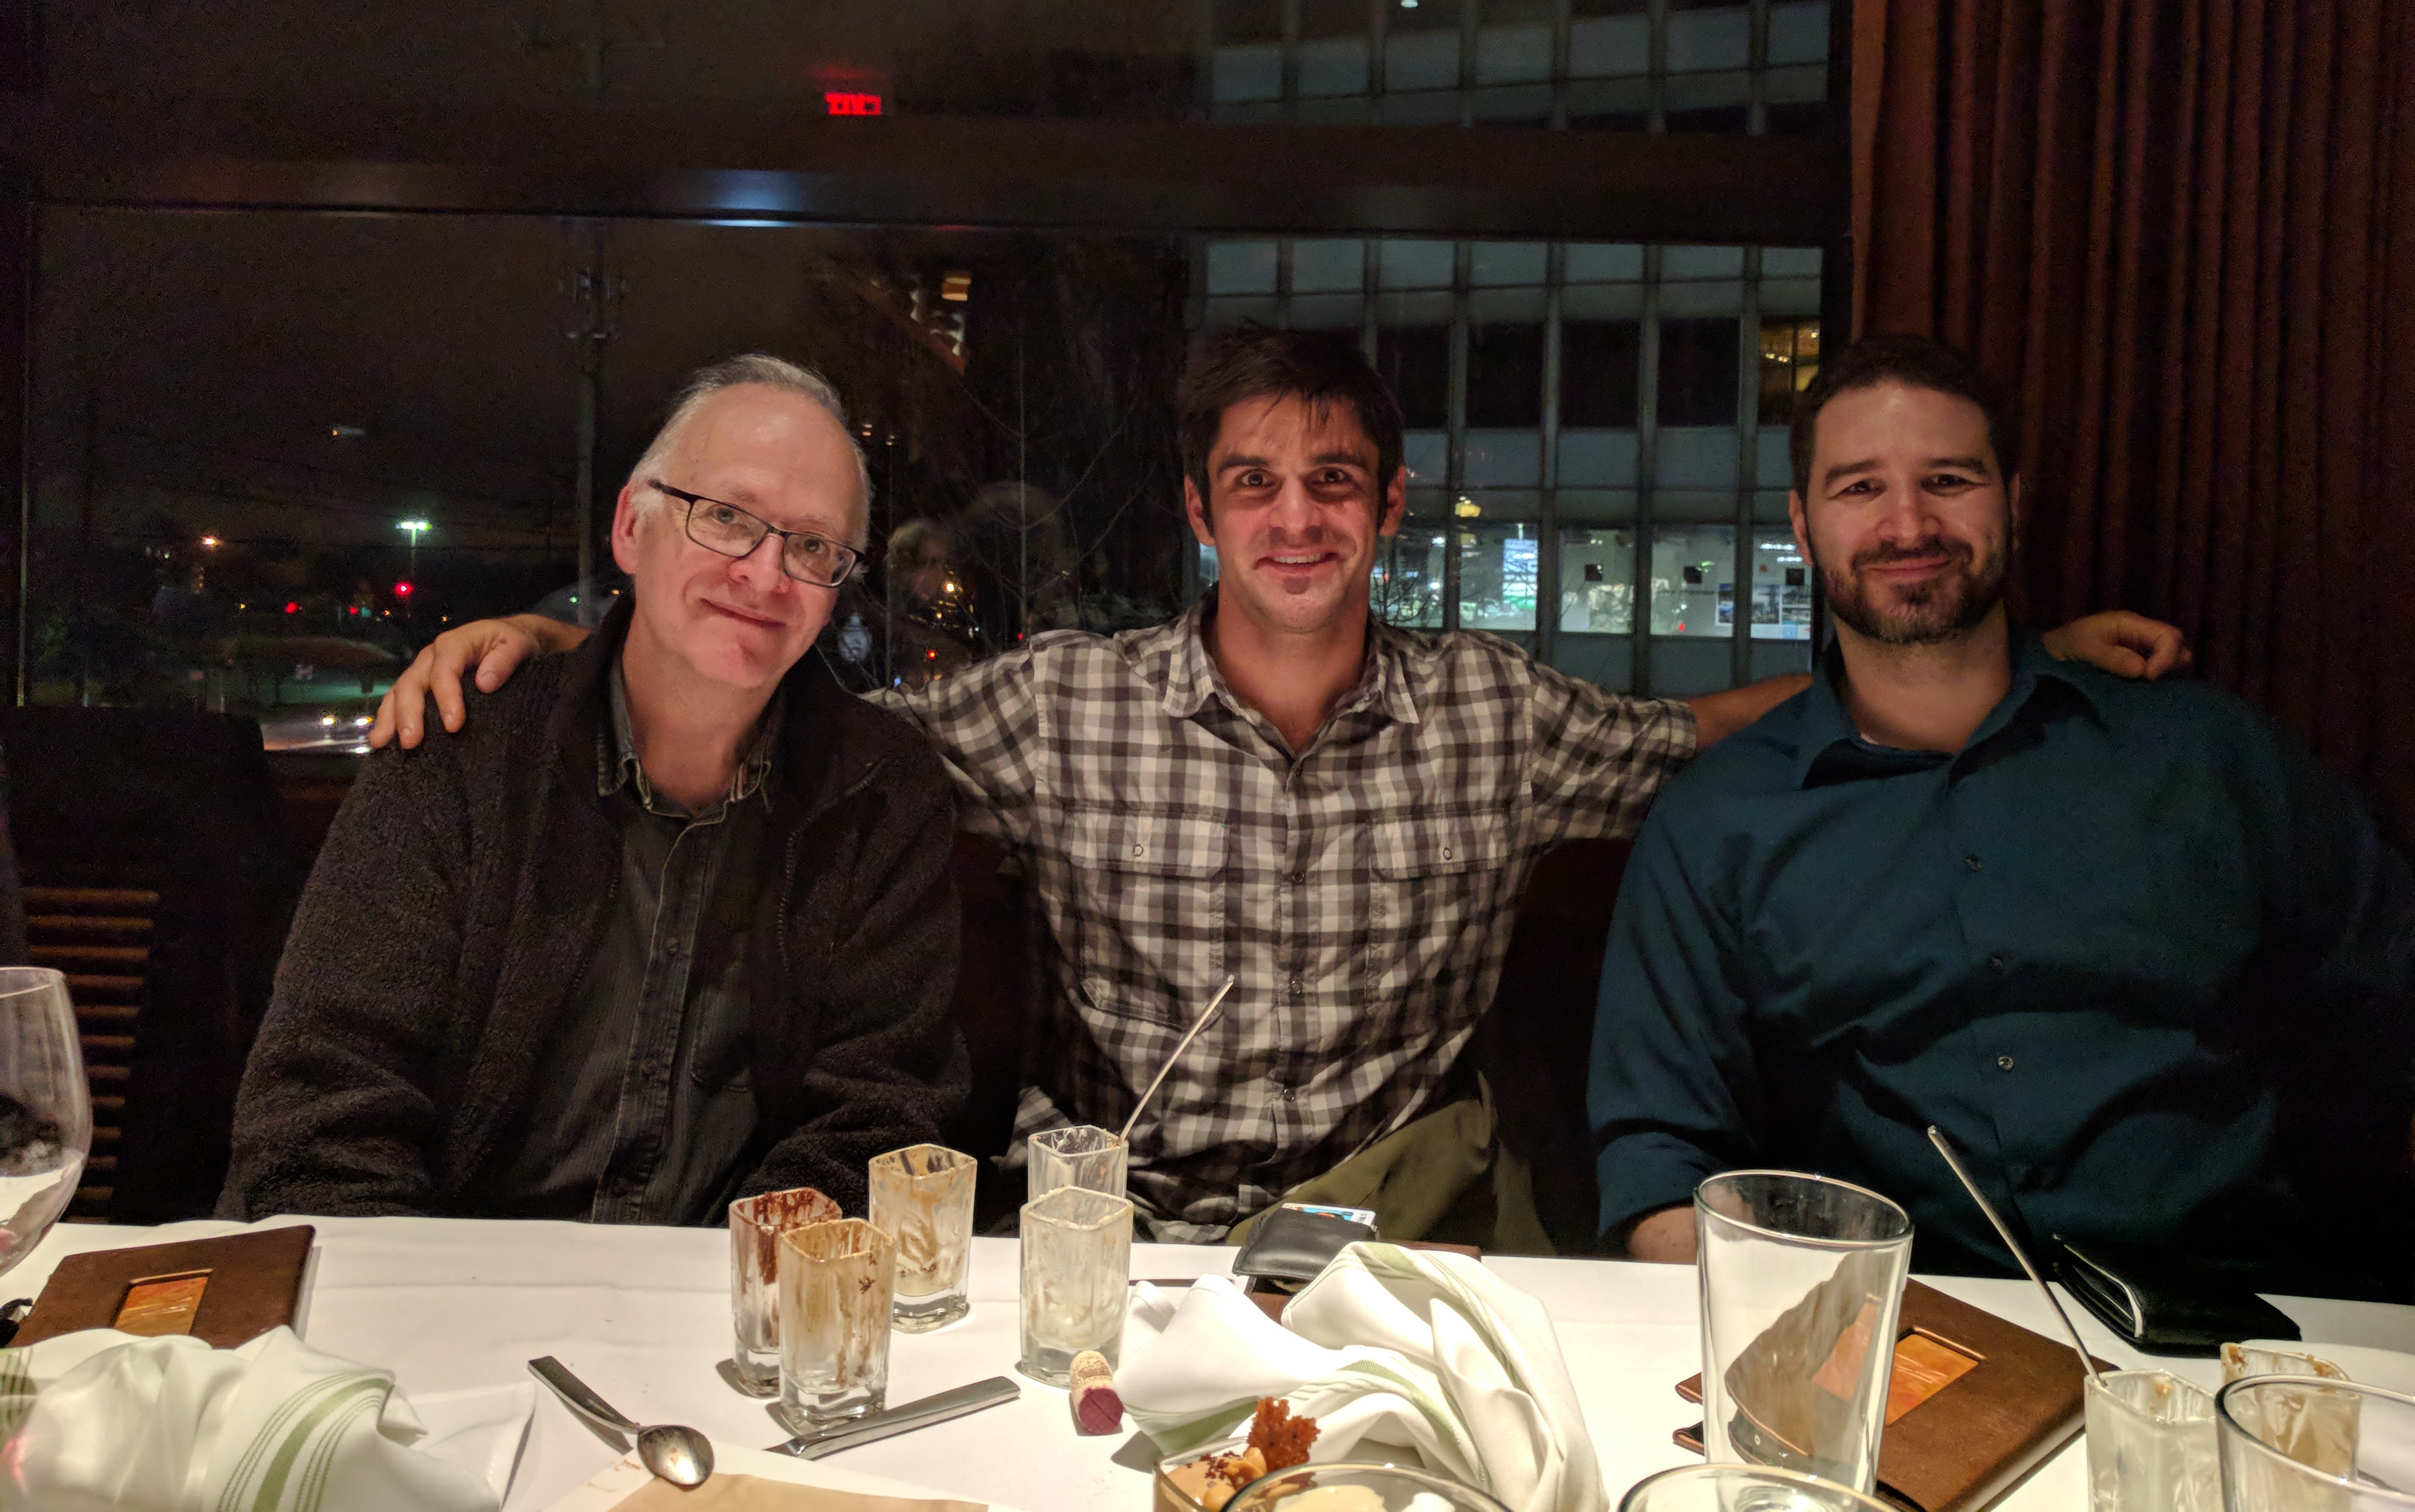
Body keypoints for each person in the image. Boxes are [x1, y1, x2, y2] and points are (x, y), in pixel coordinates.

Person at [373, 328, 2181, 1243]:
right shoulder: (1058, 710)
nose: (1298, 518)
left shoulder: (1500, 715)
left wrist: (2020, 655)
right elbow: (779, 696)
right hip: (1109, 1235)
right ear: (1199, 514)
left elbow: (1706, 735)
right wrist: (552, 642)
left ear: (1390, 510)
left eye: (1336, 482)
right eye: (1256, 483)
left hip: (1401, 1240)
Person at [1590, 333, 2415, 1294]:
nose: (1908, 524)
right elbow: (1659, 1160)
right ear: (1804, 529)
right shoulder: (1720, 820)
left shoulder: (2209, 757)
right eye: (1860, 488)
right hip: (1898, 1338)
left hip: (2238, 1326)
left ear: (2014, 503)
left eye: (1948, 479)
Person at [220, 356, 967, 1223]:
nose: (765, 576)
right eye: (726, 518)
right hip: (447, 1292)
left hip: (725, 1311)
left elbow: (881, 1113)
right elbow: (321, 1110)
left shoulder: (881, 790)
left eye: (812, 546)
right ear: (630, 528)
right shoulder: (459, 745)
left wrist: (758, 1310)